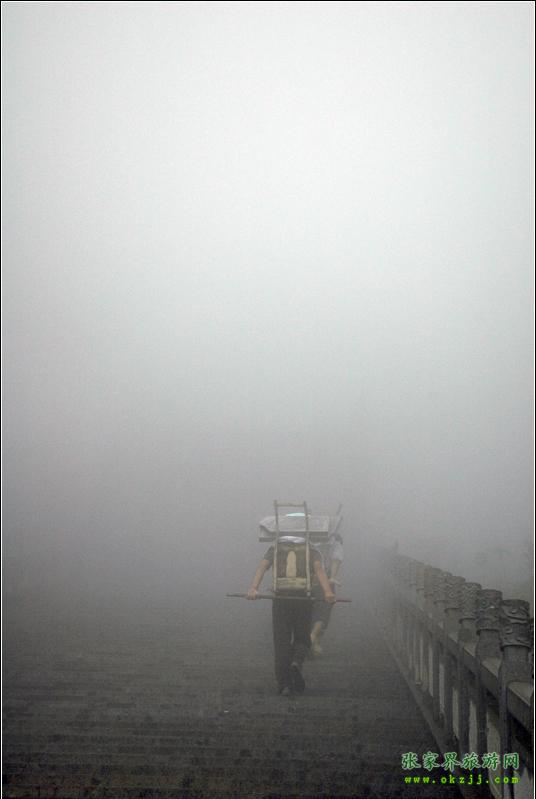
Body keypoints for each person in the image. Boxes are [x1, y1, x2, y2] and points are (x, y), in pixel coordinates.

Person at [247, 537, 336, 695]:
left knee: (281, 641)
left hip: (281, 599)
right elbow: (318, 569)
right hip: (303, 599)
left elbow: (263, 566)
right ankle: (296, 662)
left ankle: (284, 684)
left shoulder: (276, 547)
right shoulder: (311, 548)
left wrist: (254, 588)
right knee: (303, 637)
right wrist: (328, 592)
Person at [310, 532, 344, 655]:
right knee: (322, 610)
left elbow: (335, 560)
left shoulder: (334, 543)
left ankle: (313, 639)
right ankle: (313, 638)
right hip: (316, 577)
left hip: (320, 578)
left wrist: (332, 577)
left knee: (322, 608)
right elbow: (336, 559)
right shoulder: (335, 542)